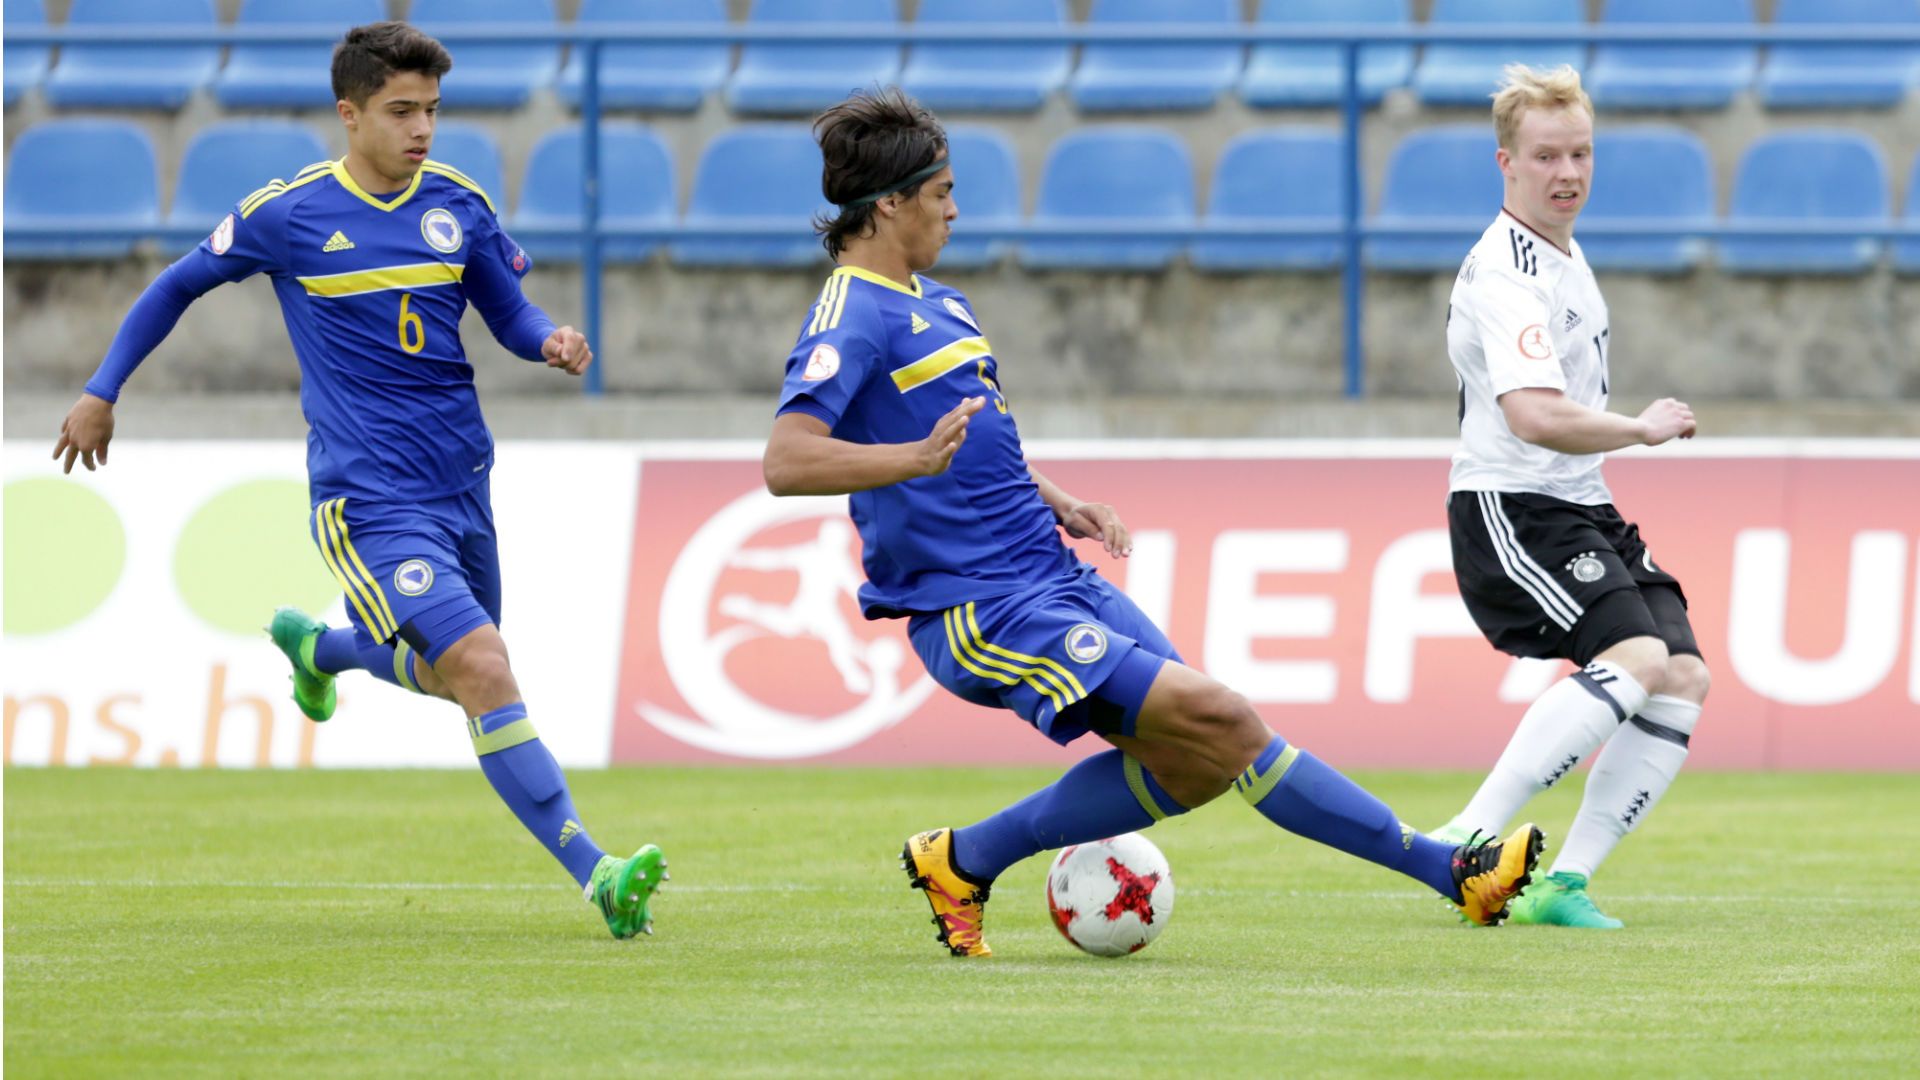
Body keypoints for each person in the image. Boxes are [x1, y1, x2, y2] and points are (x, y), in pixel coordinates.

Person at [760, 87, 1543, 958]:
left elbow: (972, 438)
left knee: (1203, 757)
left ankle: (963, 860)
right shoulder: (849, 312)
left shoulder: (942, 303)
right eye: (941, 192)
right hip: (980, 607)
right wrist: (906, 461)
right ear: (890, 203)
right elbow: (787, 460)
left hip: (1052, 573)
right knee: (1230, 720)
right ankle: (1452, 873)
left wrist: (1056, 497)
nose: (954, 207)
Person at [50, 22, 665, 940]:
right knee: (484, 666)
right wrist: (103, 390)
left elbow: (507, 309)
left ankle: (323, 652)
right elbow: (175, 285)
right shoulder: (288, 213)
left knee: (460, 674)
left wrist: (549, 340)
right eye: (402, 111)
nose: (422, 130)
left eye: (432, 112)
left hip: (461, 479)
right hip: (367, 495)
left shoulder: (457, 203)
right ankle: (598, 872)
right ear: (350, 114)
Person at [1435, 64, 1709, 929]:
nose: (1568, 173)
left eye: (1581, 153)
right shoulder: (1507, 272)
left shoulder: (1562, 246)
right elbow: (1532, 414)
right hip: (1513, 505)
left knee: (1681, 676)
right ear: (1506, 164)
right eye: (1547, 156)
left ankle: (1566, 884)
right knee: (1633, 658)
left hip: (1577, 503)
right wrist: (1640, 427)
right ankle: (1464, 838)